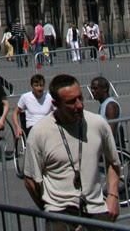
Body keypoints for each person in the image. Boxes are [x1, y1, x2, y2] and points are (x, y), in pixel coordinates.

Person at [23, 72, 120, 226]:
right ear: (56, 104)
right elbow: (30, 179)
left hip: (96, 209)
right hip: (60, 213)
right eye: (71, 102)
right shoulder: (39, 133)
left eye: (80, 98)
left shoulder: (98, 123)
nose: (79, 105)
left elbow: (113, 162)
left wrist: (113, 195)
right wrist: (48, 208)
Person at [13, 74, 54, 142]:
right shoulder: (25, 97)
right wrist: (17, 127)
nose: (39, 88)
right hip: (32, 128)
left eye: (41, 85)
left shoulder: (49, 97)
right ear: (32, 86)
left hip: (46, 126)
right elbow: (15, 113)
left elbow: (57, 112)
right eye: (36, 86)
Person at [89, 76, 122, 145]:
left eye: (95, 88)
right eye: (91, 88)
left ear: (105, 89)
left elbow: (110, 132)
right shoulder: (104, 104)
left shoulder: (110, 106)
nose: (92, 91)